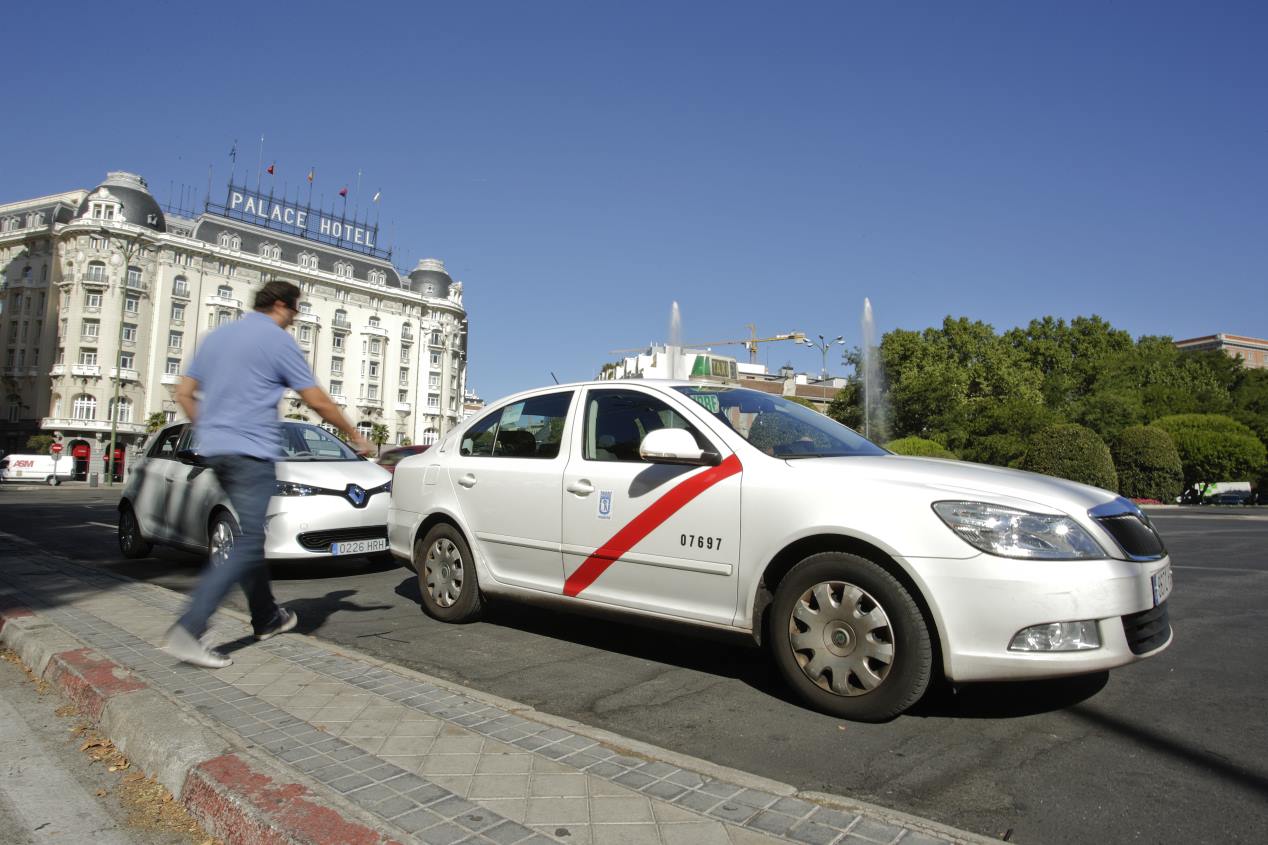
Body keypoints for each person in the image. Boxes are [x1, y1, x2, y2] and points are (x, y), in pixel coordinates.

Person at [163, 280, 372, 668]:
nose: (294, 319)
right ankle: (190, 628)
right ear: (280, 305)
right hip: (251, 453)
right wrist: (356, 436)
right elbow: (316, 400)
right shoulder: (276, 341)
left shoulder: (218, 338)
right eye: (295, 311)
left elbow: (184, 393)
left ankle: (266, 618)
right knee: (247, 542)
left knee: (249, 536)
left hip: (218, 451)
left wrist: (210, 430)